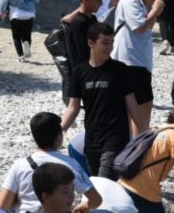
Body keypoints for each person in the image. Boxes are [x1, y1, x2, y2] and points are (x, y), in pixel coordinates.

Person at [61, 22, 142, 177]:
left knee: (104, 185)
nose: (109, 47)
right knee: (98, 186)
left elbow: (132, 103)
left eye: (112, 42)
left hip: (116, 140)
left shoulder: (120, 70)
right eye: (105, 43)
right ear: (90, 43)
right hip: (92, 141)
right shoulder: (79, 72)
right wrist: (61, 129)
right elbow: (73, 107)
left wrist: (144, 133)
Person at [0, 112, 101, 213]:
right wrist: (84, 205)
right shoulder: (70, 164)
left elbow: (2, 206)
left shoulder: (19, 165)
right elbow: (96, 200)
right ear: (58, 137)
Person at [112, 0, 169, 135]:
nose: (154, 3)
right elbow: (140, 27)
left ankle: (135, 144)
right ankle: (138, 147)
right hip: (131, 62)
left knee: (139, 106)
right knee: (142, 105)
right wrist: (156, 10)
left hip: (137, 62)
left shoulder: (139, 2)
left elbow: (146, 27)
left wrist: (153, 12)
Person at [58, 0, 104, 102]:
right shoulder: (78, 23)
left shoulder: (92, 19)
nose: (101, 3)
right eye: (98, 0)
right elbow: (80, 54)